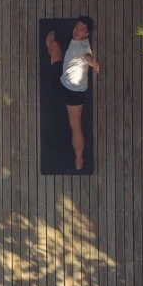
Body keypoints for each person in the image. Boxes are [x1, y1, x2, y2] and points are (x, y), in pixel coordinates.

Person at [44, 16, 99, 171]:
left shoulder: (84, 49)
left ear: (87, 34)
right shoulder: (76, 39)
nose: (77, 31)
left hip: (73, 92)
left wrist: (93, 62)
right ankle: (50, 46)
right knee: (54, 45)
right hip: (62, 79)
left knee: (75, 124)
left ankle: (79, 159)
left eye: (81, 30)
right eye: (76, 27)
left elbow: (87, 57)